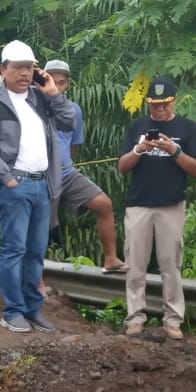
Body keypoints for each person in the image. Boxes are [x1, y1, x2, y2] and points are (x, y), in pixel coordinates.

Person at [0, 39, 75, 333]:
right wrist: (7, 179)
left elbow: (69, 121)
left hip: (42, 185)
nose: (24, 73)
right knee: (14, 250)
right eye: (17, 67)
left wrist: (53, 92)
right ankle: (13, 311)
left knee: (35, 251)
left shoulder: (41, 97)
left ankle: (32, 309)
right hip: (14, 185)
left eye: (29, 67)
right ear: (3, 69)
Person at [116, 75, 196, 340]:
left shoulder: (188, 128)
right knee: (135, 265)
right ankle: (135, 318)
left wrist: (173, 150)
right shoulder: (137, 126)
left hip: (171, 206)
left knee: (171, 266)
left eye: (165, 104)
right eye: (155, 105)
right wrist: (140, 149)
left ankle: (173, 320)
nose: (160, 109)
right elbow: (122, 166)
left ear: (174, 101)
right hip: (138, 205)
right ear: (148, 104)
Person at [43, 59, 125, 273]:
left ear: (67, 84)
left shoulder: (73, 110)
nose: (57, 86)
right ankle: (35, 275)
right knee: (42, 225)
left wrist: (64, 164)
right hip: (41, 175)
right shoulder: (35, 105)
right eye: (53, 81)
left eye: (61, 82)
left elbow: (73, 146)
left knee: (104, 204)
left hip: (66, 172)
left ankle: (111, 259)